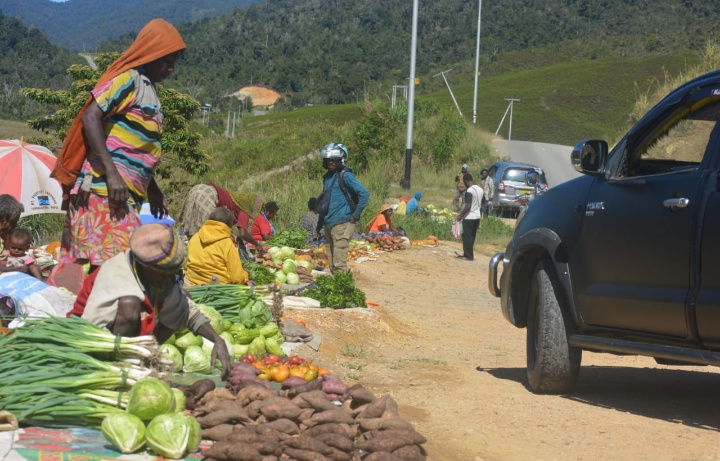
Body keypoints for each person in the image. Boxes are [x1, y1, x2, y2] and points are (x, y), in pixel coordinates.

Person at [51, 19, 187, 273]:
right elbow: (90, 117)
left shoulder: (149, 90)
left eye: (174, 64)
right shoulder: (128, 80)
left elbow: (136, 151)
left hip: (121, 194)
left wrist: (153, 189)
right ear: (152, 54)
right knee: (113, 269)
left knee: (104, 268)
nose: (171, 69)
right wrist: (112, 173)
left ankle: (81, 310)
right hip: (104, 192)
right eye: (168, 61)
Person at [68, 223, 232, 379]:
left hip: (131, 340)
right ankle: (124, 368)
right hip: (90, 338)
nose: (169, 278)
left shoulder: (156, 277)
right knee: (129, 305)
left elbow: (186, 311)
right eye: (164, 273)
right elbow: (91, 330)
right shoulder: (115, 275)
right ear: (146, 266)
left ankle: (143, 357)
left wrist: (217, 340)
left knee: (181, 298)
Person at [315, 142, 369, 274]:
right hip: (328, 224)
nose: (330, 163)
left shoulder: (346, 175)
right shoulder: (327, 177)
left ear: (341, 160)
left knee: (339, 264)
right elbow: (325, 201)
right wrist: (319, 224)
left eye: (334, 160)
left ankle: (345, 290)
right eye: (328, 160)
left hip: (342, 224)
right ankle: (336, 287)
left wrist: (354, 215)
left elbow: (364, 194)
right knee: (332, 263)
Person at [178, 184, 264, 254]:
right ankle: (200, 258)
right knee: (209, 231)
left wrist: (233, 235)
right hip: (206, 195)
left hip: (197, 189)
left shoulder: (237, 200)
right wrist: (256, 244)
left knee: (195, 229)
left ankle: (194, 256)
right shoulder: (245, 208)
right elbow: (243, 233)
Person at [185, 207, 248, 286]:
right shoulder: (226, 243)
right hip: (217, 290)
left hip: (193, 287)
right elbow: (237, 278)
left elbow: (185, 266)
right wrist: (245, 274)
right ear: (227, 224)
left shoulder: (195, 238)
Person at [454, 173, 483, 261]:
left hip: (469, 217)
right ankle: (468, 254)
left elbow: (468, 206)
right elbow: (483, 204)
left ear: (466, 181)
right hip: (477, 216)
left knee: (467, 237)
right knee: (472, 236)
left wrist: (460, 215)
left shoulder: (469, 191)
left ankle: (468, 256)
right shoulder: (480, 189)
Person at [0, 195, 25, 270]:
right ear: (5, 222)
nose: (15, 226)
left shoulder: (4, 236)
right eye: (14, 222)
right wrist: (17, 269)